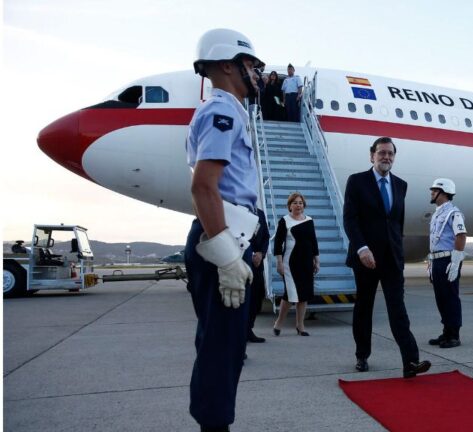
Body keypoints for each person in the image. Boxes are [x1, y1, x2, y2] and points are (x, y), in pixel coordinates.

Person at [184, 28, 263, 432]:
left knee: (225, 346)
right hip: (222, 240)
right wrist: (228, 256)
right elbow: (203, 186)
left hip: (228, 236)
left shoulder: (228, 110)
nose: (257, 74)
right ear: (228, 65)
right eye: (252, 65)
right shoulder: (224, 110)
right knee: (221, 348)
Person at [343, 136, 431, 378]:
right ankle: (362, 355)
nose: (386, 157)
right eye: (382, 153)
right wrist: (361, 248)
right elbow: (350, 219)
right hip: (365, 258)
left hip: (392, 258)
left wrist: (400, 253)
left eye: (390, 153)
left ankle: (411, 362)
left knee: (398, 309)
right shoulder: (357, 181)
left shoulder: (401, 185)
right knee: (364, 307)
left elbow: (396, 223)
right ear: (372, 156)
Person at [426, 178, 467, 349]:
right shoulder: (437, 213)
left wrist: (456, 261)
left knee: (450, 297)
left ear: (444, 193)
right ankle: (446, 331)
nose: (432, 193)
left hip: (448, 259)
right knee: (441, 298)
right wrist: (430, 262)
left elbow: (461, 235)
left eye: (435, 190)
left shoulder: (453, 213)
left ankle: (454, 335)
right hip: (436, 259)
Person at [273, 192, 319, 336]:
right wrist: (279, 263)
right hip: (290, 263)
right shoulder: (284, 221)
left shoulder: (309, 220)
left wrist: (316, 260)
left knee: (304, 294)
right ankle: (279, 322)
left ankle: (300, 325)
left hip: (306, 262)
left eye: (300, 203)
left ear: (303, 205)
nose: (298, 205)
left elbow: (313, 242)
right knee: (290, 294)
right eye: (295, 203)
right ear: (289, 206)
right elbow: (277, 243)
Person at [247, 208, 269, 343]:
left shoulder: (260, 213)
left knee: (256, 297)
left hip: (257, 263)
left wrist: (261, 253)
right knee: (244, 298)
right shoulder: (238, 209)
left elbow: (266, 235)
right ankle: (240, 331)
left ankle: (249, 329)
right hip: (242, 261)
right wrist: (250, 254)